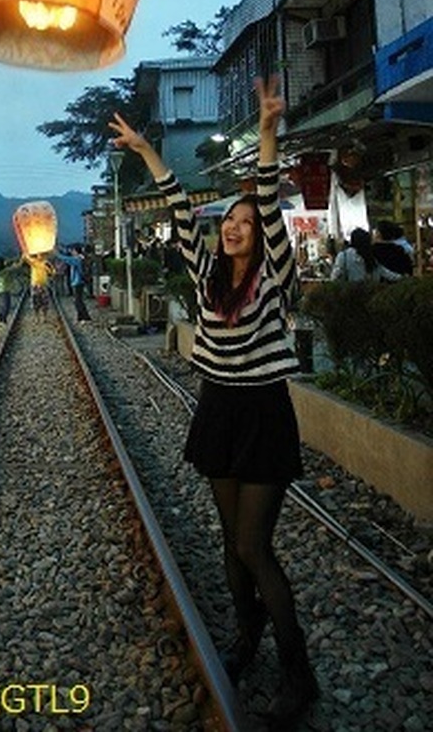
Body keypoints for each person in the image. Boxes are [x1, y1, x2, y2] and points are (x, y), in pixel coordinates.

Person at [109, 77, 319, 727]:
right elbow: (178, 207)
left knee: (255, 546)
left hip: (264, 411)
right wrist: (146, 151)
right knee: (231, 543)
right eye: (229, 220)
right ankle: (246, 635)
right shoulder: (205, 272)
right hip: (219, 408)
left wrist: (267, 129)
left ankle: (298, 671)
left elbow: (267, 194)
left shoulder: (275, 272)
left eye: (244, 223)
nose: (234, 227)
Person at [56, 244, 91, 322]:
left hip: (77, 282)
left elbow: (66, 259)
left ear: (76, 251)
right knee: (78, 300)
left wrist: (56, 254)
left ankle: (85, 317)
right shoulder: (80, 258)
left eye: (73, 250)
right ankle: (80, 317)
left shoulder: (77, 259)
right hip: (79, 282)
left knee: (78, 301)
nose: (71, 252)